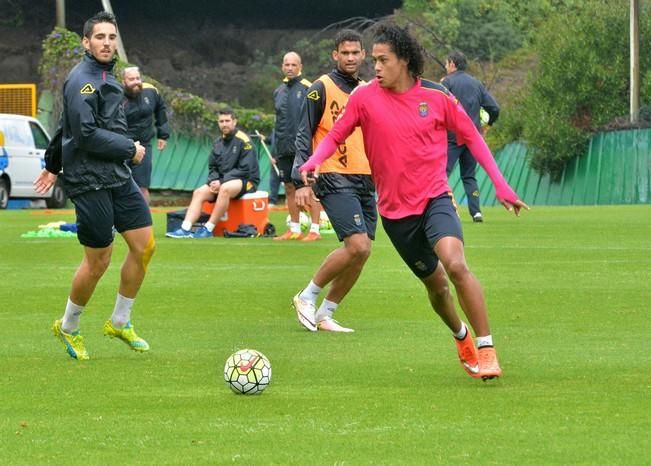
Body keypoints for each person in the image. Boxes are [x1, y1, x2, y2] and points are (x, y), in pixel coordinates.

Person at [300, 23, 529, 380]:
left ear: (404, 60)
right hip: (395, 215)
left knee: (455, 265)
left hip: (435, 199)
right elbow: (334, 136)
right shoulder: (363, 97)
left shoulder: (437, 97)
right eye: (372, 59)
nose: (374, 66)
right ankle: (461, 335)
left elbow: (473, 138)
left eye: (382, 59)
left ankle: (487, 349)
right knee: (436, 286)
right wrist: (312, 162)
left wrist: (502, 186)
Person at [33, 11, 155, 361]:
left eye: (111, 37)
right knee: (99, 259)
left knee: (145, 247)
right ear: (86, 42)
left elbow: (64, 127)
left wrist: (52, 164)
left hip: (115, 173)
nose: (106, 43)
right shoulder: (82, 80)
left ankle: (120, 320)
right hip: (89, 178)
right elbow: (83, 135)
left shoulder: (106, 75)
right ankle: (69, 326)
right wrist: (129, 148)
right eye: (99, 37)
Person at [291, 29, 375, 333]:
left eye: (356, 53)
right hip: (332, 174)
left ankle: (326, 313)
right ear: (335, 55)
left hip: (366, 177)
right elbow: (304, 132)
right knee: (356, 244)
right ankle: (307, 295)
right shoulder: (320, 88)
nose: (351, 58)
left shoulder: (368, 90)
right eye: (345, 53)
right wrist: (301, 180)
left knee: (363, 251)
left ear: (364, 55)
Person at [166, 107, 259, 238]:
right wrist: (213, 182)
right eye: (221, 121)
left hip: (247, 181)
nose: (224, 124)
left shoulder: (244, 141)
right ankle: (185, 229)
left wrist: (221, 182)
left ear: (234, 122)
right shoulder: (218, 142)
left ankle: (208, 229)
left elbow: (245, 170)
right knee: (199, 192)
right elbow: (213, 167)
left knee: (225, 189)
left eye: (227, 120)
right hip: (223, 181)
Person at [442, 50, 500, 223]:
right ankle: (476, 212)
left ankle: (444, 209)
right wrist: (487, 126)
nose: (446, 67)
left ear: (452, 63)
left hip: (452, 137)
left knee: (442, 173)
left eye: (446, 63)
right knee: (469, 175)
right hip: (472, 137)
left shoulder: (447, 82)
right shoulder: (476, 83)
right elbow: (494, 108)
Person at [272, 51, 322, 241]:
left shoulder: (310, 88)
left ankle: (315, 229)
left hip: (304, 149)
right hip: (284, 149)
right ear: (282, 67)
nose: (290, 68)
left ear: (300, 67)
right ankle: (294, 228)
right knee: (289, 188)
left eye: (294, 65)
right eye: (287, 65)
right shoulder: (278, 91)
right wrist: (277, 149)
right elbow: (278, 123)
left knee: (310, 188)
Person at [122, 66, 170, 204]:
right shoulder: (116, 95)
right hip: (122, 145)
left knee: (142, 186)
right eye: (131, 79)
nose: (136, 82)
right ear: (124, 81)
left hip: (144, 144)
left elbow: (160, 109)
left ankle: (145, 222)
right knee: (117, 184)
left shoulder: (151, 91)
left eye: (138, 78)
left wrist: (163, 135)